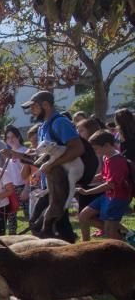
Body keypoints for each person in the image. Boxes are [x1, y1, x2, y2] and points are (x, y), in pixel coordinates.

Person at [13, 90, 97, 240]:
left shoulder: (60, 123)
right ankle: (67, 252)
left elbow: (77, 148)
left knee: (43, 224)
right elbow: (42, 157)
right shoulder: (42, 127)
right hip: (50, 184)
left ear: (45, 105)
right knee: (56, 225)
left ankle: (64, 255)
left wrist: (53, 164)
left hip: (61, 183)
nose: (31, 111)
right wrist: (17, 155)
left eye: (34, 107)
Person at [77, 129, 132, 241]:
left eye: (96, 148)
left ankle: (124, 246)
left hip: (117, 198)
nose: (95, 151)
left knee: (110, 233)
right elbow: (103, 175)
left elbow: (110, 184)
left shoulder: (117, 161)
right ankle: (86, 244)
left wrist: (87, 192)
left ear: (106, 145)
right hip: (108, 196)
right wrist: (84, 181)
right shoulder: (106, 157)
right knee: (83, 216)